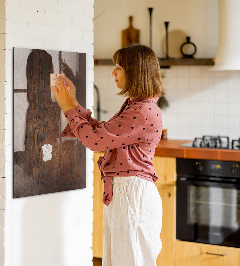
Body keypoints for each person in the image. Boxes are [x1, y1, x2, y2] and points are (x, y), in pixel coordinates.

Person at [51, 44, 164, 266]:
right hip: (126, 193)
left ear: (135, 71)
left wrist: (67, 108)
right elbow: (103, 134)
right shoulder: (137, 106)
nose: (113, 72)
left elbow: (95, 141)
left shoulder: (141, 111)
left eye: (119, 67)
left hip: (132, 195)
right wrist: (73, 103)